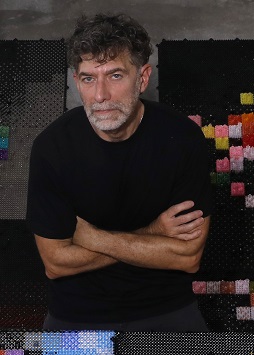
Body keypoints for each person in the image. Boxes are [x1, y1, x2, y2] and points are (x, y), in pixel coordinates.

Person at [26, 13, 214, 331]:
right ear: (76, 81)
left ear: (142, 78)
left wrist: (92, 238)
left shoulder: (182, 139)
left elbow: (187, 257)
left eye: (115, 75)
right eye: (88, 79)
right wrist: (153, 232)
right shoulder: (52, 147)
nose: (100, 95)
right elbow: (56, 263)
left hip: (165, 305)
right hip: (76, 311)